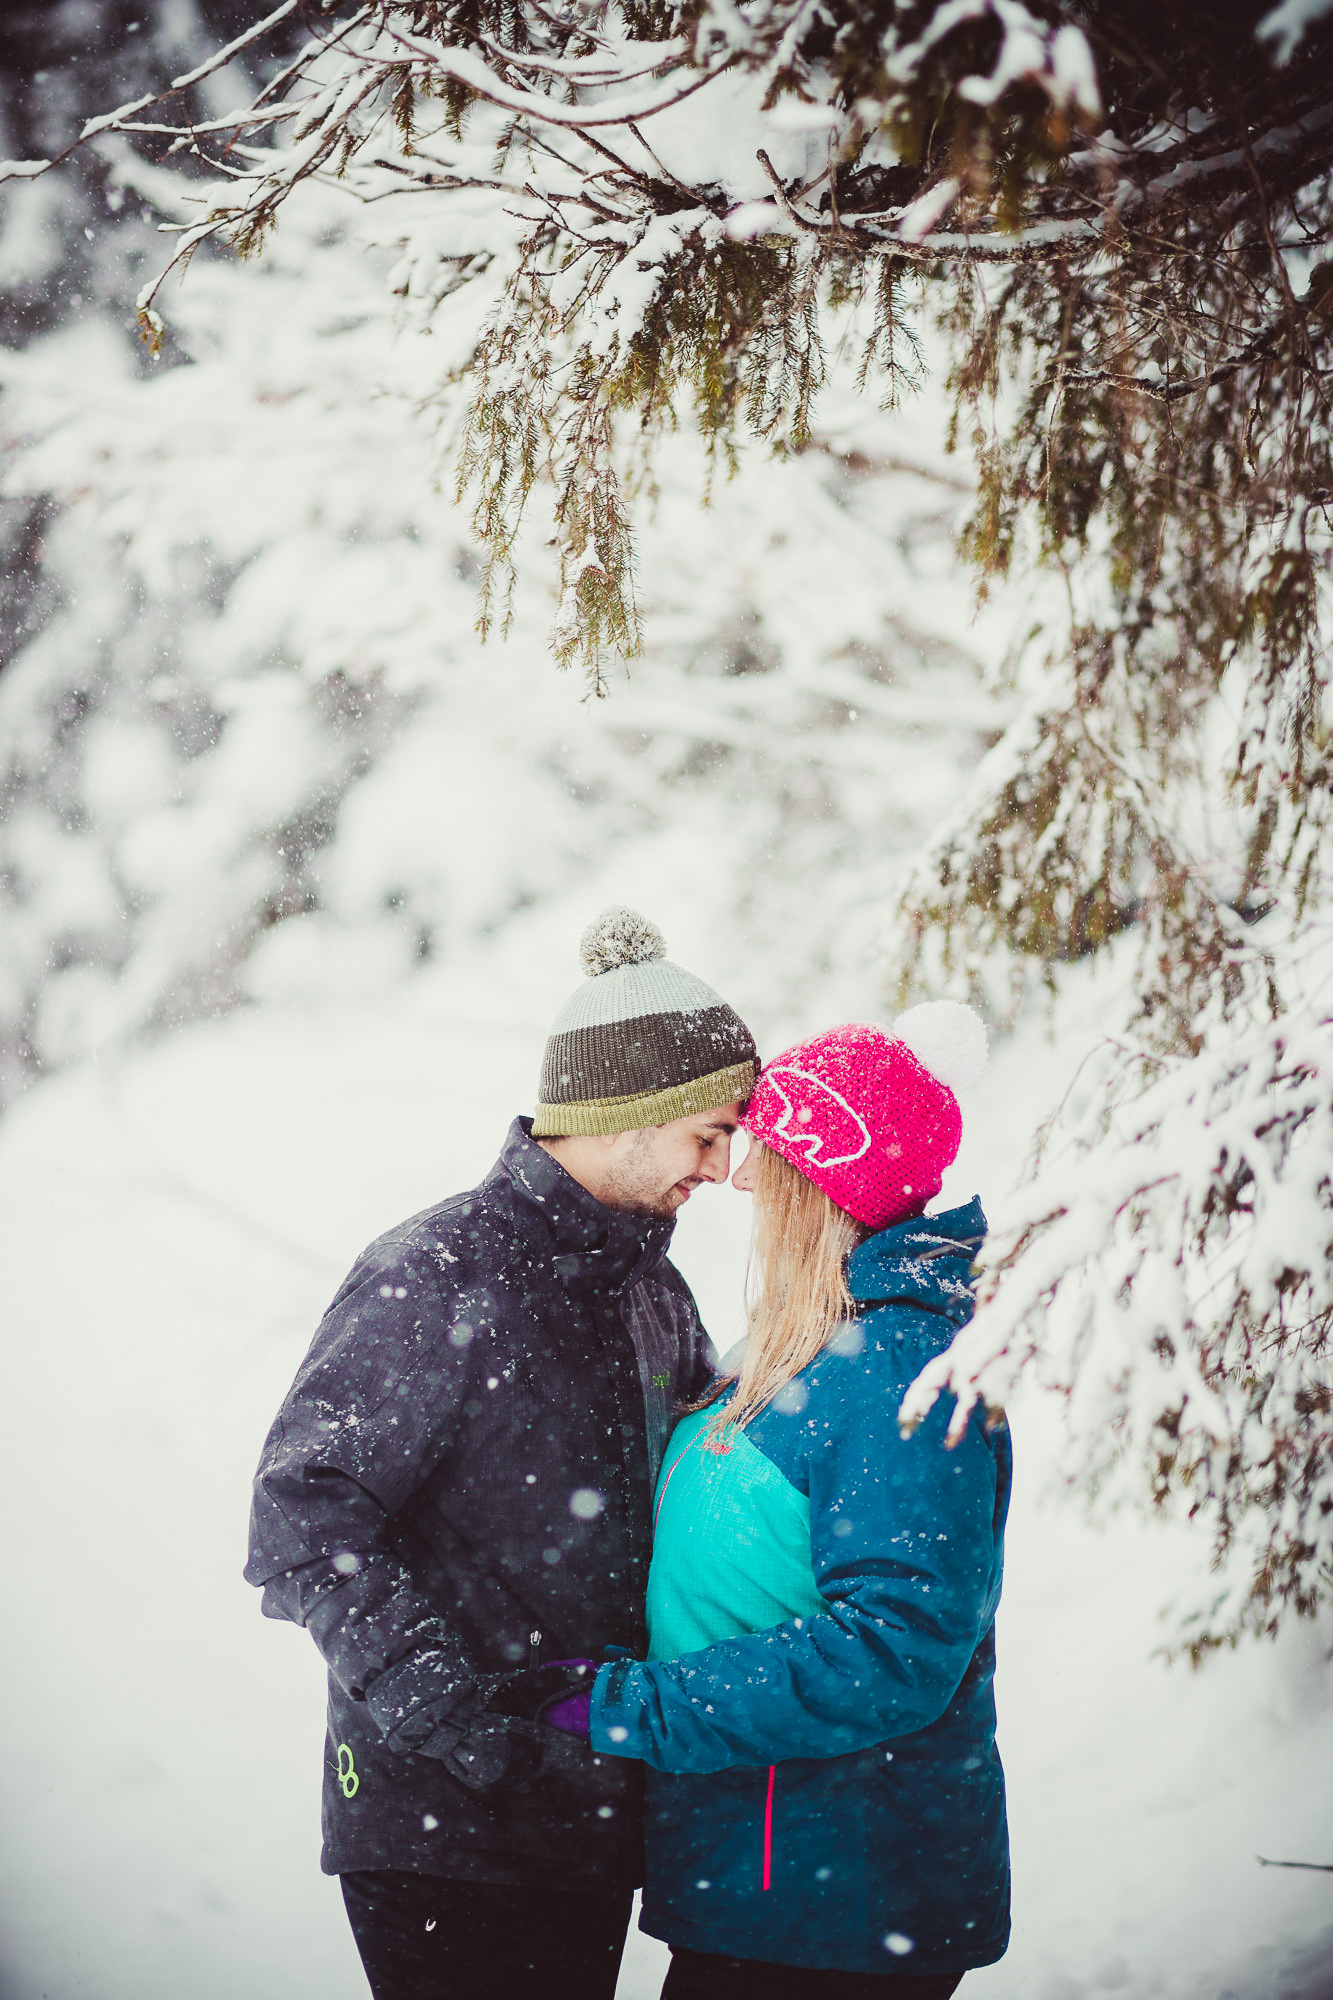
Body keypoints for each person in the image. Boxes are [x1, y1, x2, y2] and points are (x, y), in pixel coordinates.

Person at [244, 906, 757, 2000]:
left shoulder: (653, 1289)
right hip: (444, 1831)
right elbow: (303, 1518)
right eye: (707, 1132)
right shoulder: (434, 1274)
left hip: (589, 1817)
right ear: (628, 1111)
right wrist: (461, 1725)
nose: (721, 1166)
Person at [582, 1004, 1011, 1997]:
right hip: (767, 1877)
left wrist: (641, 1704)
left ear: (819, 1183)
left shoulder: (898, 1365)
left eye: (765, 1156)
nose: (739, 1175)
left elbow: (897, 1645)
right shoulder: (809, 1340)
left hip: (836, 1900)